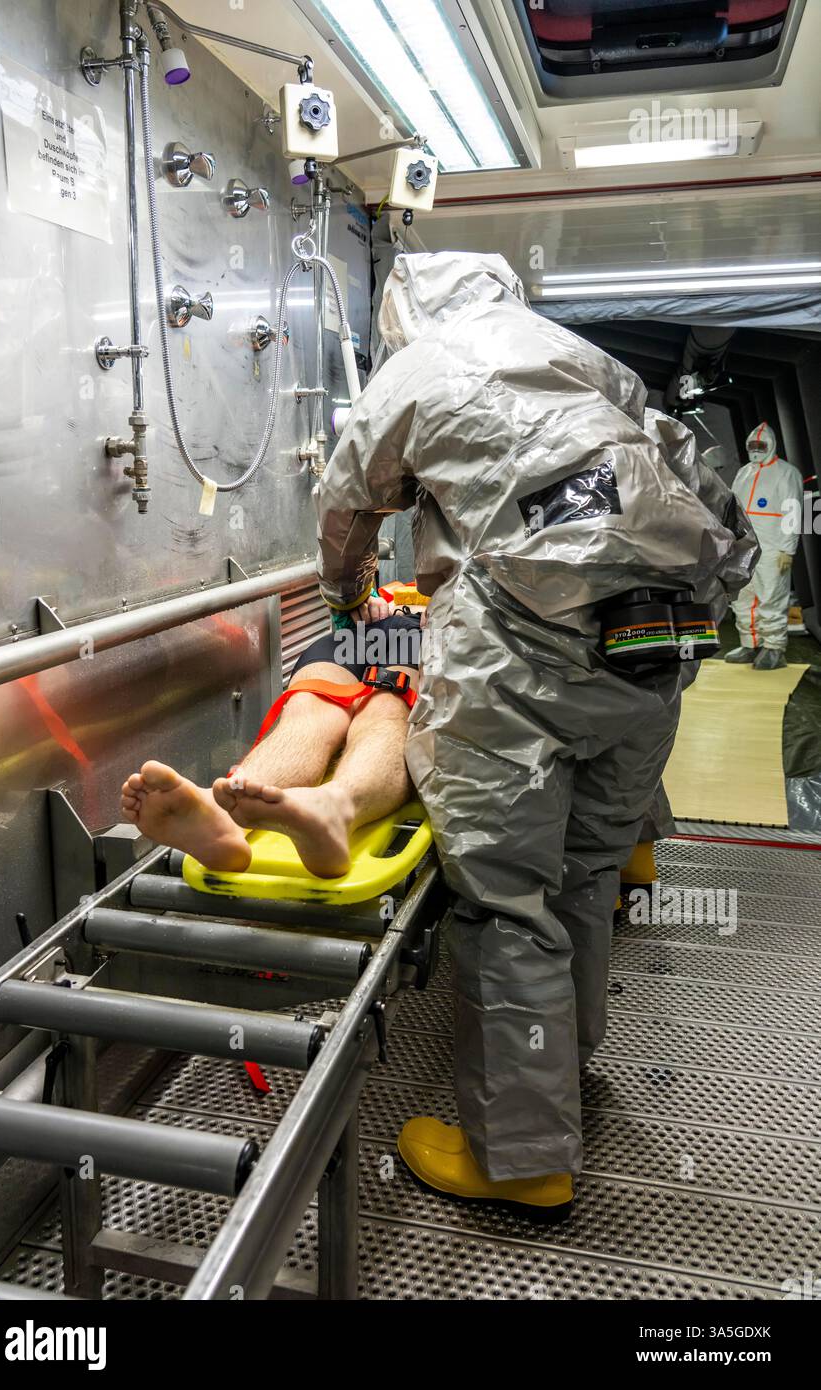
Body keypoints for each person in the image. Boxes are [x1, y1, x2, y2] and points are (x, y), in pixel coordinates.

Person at [315, 251, 757, 1217]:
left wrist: (351, 599)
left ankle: (520, 1157)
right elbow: (682, 470)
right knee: (587, 879)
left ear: (405, 310)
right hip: (656, 640)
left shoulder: (416, 369)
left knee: (507, 900)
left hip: (523, 651)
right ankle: (559, 1083)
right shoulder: (588, 360)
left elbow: (348, 509)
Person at [119, 597, 422, 879]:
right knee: (308, 707)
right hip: (356, 635)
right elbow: (343, 559)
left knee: (388, 705)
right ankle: (219, 813)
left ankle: (336, 807)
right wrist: (358, 597)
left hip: (423, 633)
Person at [725, 423, 802, 670]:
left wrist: (787, 550)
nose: (756, 449)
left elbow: (793, 514)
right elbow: (733, 507)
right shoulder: (744, 472)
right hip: (743, 547)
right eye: (753, 446)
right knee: (743, 597)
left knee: (771, 596)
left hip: (772, 548)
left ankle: (773, 648)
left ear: (771, 446)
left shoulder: (787, 473)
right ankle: (750, 643)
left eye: (761, 445)